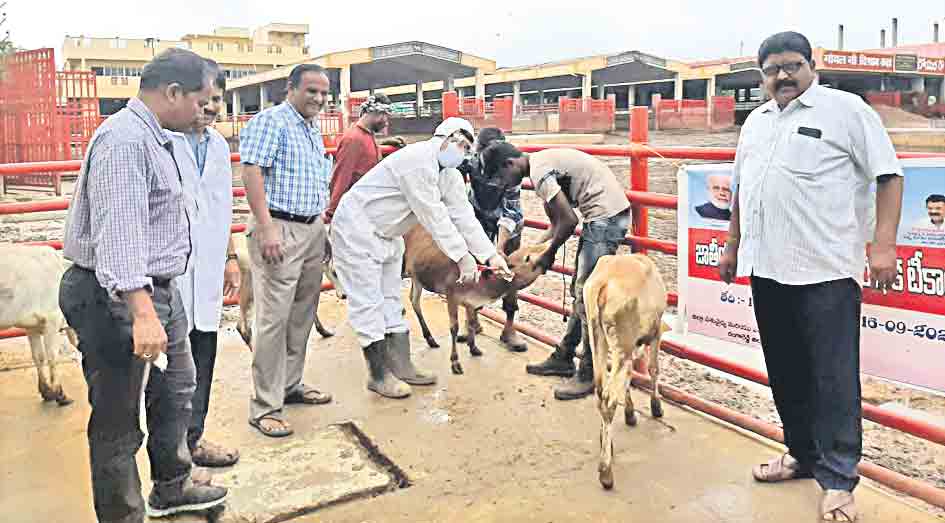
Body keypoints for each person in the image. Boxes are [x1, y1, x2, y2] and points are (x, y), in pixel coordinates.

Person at [718, 31, 903, 523]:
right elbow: (741, 189)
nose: (783, 76)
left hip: (826, 272)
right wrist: (733, 245)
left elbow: (888, 175)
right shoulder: (755, 122)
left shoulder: (847, 111)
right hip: (767, 268)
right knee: (785, 371)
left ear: (810, 65)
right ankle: (801, 454)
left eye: (792, 65)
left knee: (833, 378)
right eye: (772, 69)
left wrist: (883, 245)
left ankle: (839, 480)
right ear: (761, 76)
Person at [59, 48, 228, 522]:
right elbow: (120, 232)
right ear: (173, 93)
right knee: (118, 418)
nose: (206, 111)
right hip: (116, 295)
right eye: (202, 100)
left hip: (156, 289)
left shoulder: (159, 138)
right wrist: (142, 309)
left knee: (177, 389)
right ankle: (122, 515)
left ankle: (172, 485)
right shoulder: (125, 141)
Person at [330, 117, 511, 399]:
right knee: (367, 301)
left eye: (466, 147)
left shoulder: (448, 174)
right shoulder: (417, 162)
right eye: (458, 143)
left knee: (391, 297)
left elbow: (462, 215)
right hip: (357, 228)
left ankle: (402, 366)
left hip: (388, 233)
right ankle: (378, 375)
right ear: (442, 138)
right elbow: (434, 216)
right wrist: (463, 257)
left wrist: (490, 254)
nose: (460, 150)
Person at [481, 144, 632, 401]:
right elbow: (556, 225)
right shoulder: (541, 167)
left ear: (510, 165)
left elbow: (569, 222)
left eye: (501, 177)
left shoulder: (539, 173)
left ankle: (588, 372)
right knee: (581, 291)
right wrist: (539, 248)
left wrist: (549, 253)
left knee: (588, 296)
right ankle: (565, 356)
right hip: (602, 215)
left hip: (605, 218)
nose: (504, 184)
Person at [239, 63, 334, 438]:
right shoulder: (272, 121)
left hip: (310, 230)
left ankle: (290, 384)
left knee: (302, 315)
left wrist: (321, 230)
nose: (318, 99)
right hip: (279, 228)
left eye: (324, 93)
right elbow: (252, 173)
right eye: (311, 91)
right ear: (291, 88)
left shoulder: (310, 128)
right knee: (273, 320)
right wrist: (266, 229)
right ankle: (264, 407)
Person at [168, 60, 241, 467]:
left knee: (203, 356)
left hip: (209, 271)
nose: (212, 107)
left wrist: (230, 257)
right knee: (166, 368)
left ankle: (193, 439)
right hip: (170, 276)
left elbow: (221, 208)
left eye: (218, 100)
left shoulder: (216, 146)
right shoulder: (162, 141)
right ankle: (169, 452)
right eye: (206, 99)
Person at [456, 127, 528, 352]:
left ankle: (509, 327)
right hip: (477, 215)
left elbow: (512, 211)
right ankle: (471, 320)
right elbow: (451, 183)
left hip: (507, 221)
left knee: (510, 272)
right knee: (473, 268)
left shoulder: (512, 167)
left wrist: (498, 249)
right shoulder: (469, 160)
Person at [323, 93, 406, 224]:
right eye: (384, 116)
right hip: (355, 211)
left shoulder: (367, 134)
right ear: (375, 112)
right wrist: (331, 214)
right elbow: (341, 178)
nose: (386, 122)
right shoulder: (353, 139)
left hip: (367, 207)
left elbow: (366, 157)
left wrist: (384, 145)